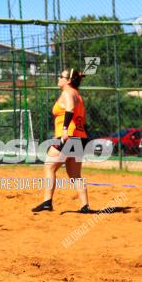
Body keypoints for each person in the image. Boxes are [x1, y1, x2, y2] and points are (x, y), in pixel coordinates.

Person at [32, 68, 91, 214]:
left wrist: (64, 130)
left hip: (68, 136)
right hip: (79, 136)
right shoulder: (78, 95)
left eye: (61, 76)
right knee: (75, 174)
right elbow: (83, 119)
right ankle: (85, 206)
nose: (58, 78)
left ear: (68, 80)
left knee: (49, 167)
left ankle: (47, 202)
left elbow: (70, 109)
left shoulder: (67, 92)